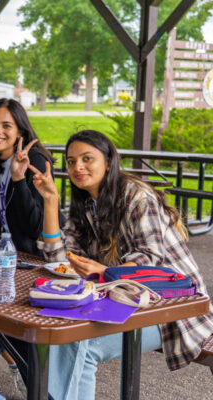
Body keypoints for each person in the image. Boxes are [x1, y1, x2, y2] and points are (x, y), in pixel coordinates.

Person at [29, 130, 213, 400]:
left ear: (108, 161)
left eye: (87, 158)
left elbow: (150, 257)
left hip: (171, 308)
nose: (77, 167)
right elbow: (59, 261)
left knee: (82, 343)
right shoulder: (86, 204)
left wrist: (105, 272)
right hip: (124, 299)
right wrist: (50, 201)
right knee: (61, 334)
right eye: (70, 161)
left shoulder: (136, 196)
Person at [0, 98, 57, 376]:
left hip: (32, 259)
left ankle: (31, 377)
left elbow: (36, 226)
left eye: (6, 126)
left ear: (20, 130)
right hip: (4, 253)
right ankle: (18, 368)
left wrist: (19, 179)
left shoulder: (34, 161)